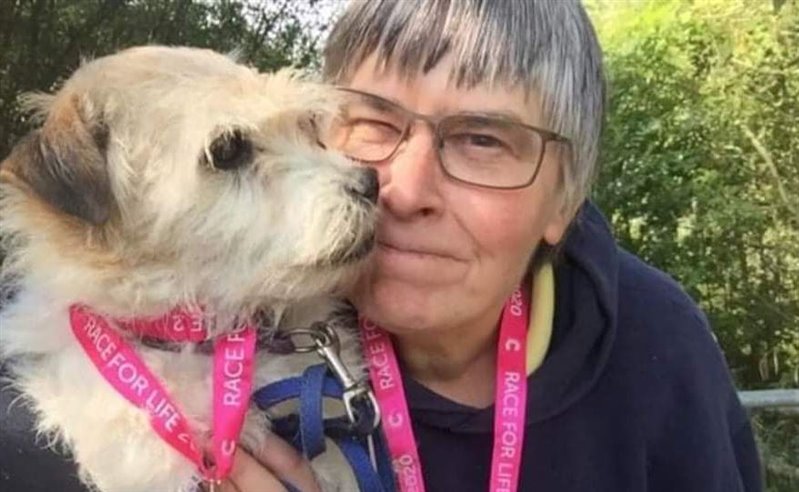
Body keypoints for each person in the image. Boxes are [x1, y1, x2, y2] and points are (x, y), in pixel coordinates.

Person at [0, 1, 762, 491]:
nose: (396, 186)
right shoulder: (72, 394)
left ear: (563, 201)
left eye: (482, 140)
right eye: (372, 122)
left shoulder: (656, 353)